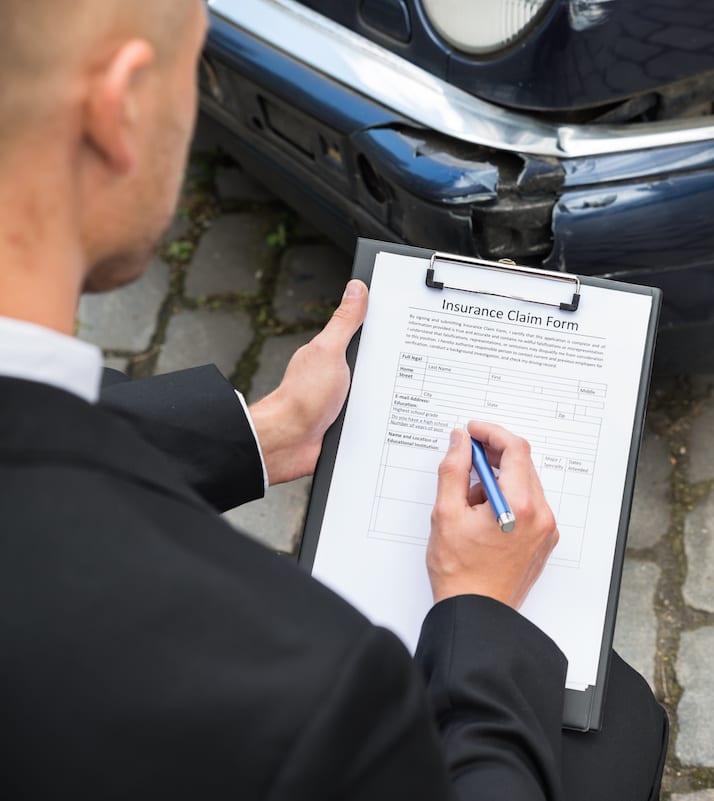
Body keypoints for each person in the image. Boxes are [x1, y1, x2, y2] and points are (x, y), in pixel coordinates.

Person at [0, 1, 667, 798]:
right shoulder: (308, 685)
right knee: (615, 724)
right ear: (120, 109)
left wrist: (262, 432)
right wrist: (482, 612)